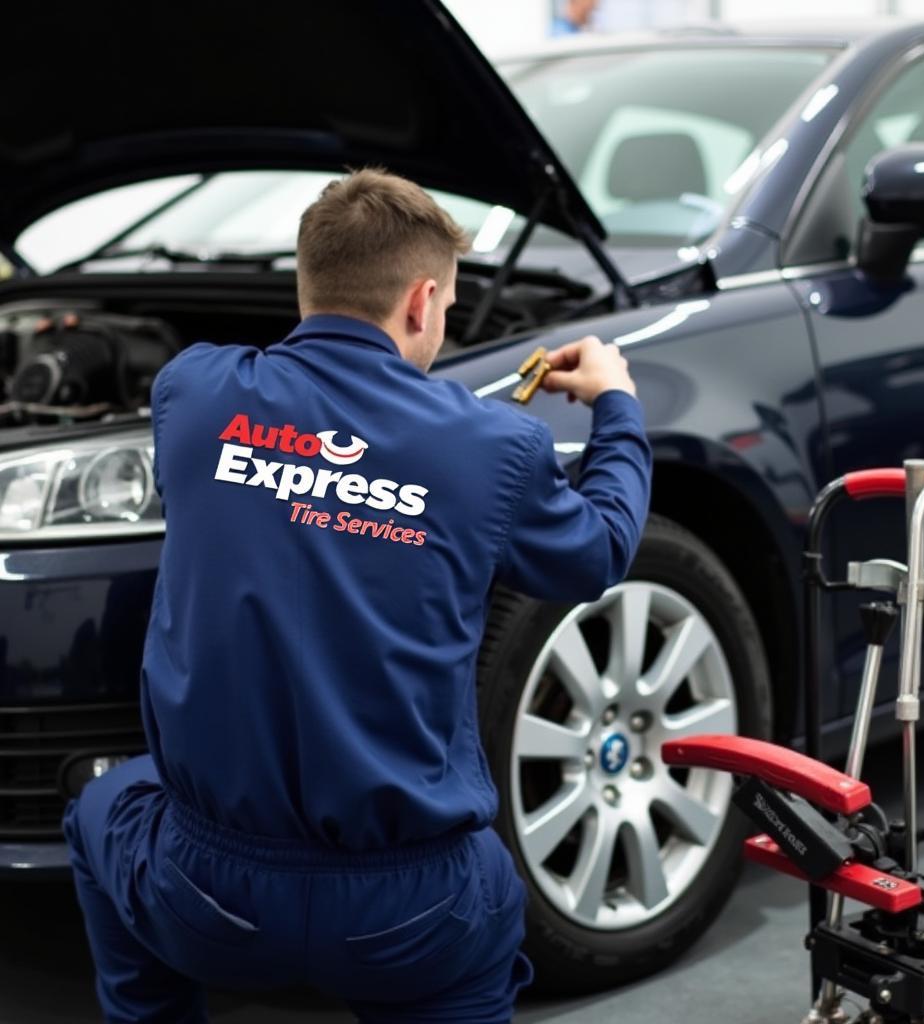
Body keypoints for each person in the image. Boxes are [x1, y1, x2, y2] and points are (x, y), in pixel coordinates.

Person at [63, 169, 652, 1023]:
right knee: (479, 900)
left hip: (205, 891)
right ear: (421, 302)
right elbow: (597, 553)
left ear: (306, 282)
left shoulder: (191, 394)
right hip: (410, 912)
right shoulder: (493, 448)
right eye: (446, 304)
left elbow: (291, 470)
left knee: (101, 806)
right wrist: (617, 402)